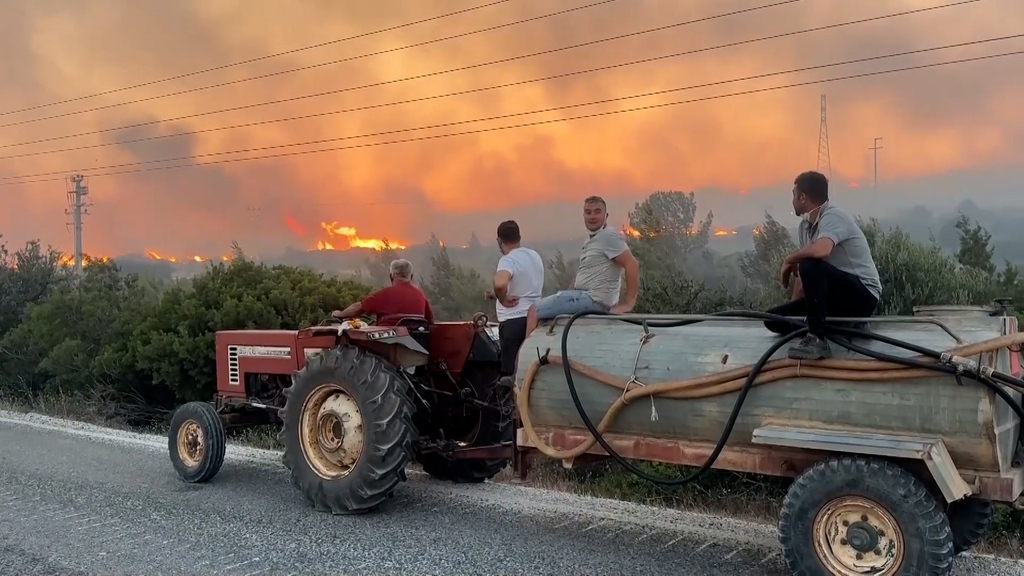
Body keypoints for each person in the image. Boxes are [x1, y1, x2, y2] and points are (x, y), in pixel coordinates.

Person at [765, 170, 882, 360]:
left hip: (862, 295)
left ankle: (818, 340)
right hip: (833, 298)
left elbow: (821, 250)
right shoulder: (806, 227)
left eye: (794, 196)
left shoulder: (833, 217)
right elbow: (805, 279)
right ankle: (835, 327)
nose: (793, 200)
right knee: (774, 320)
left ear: (803, 197)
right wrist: (796, 308)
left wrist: (790, 258)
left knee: (809, 263)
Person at [524, 195, 640, 336]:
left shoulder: (608, 236)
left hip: (592, 299)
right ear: (583, 215)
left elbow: (631, 264)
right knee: (547, 319)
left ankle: (525, 356)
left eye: (597, 212)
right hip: (584, 297)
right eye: (588, 212)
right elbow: (586, 273)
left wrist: (628, 304)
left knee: (534, 310)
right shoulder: (592, 239)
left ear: (606, 215)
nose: (592, 216)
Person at [486, 220, 544, 379]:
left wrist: (502, 298)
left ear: (499, 241)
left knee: (513, 375)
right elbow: (524, 285)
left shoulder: (508, 260)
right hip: (536, 320)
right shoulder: (534, 256)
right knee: (531, 371)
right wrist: (496, 294)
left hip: (513, 322)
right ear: (519, 237)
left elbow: (500, 283)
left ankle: (512, 404)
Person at [332, 258, 435, 326]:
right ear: (411, 276)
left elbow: (357, 308)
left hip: (385, 347)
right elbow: (430, 321)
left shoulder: (385, 294)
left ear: (391, 276)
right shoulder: (420, 295)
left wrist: (339, 314)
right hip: (418, 345)